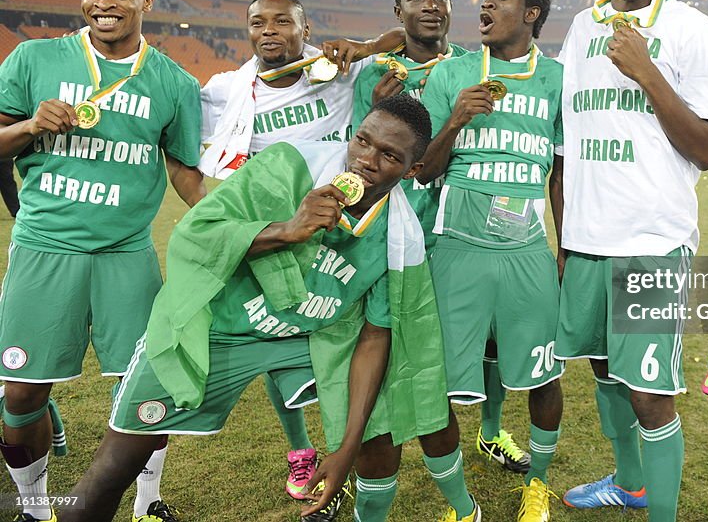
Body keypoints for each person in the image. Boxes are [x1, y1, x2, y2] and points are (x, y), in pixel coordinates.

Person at [60, 94, 448, 522]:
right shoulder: (290, 164)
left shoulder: (401, 237)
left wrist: (345, 449)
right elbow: (197, 234)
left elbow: (375, 336)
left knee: (378, 430)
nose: (365, 161)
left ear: (412, 171)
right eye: (362, 141)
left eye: (389, 155)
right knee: (116, 464)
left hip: (308, 339)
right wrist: (288, 229)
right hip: (219, 326)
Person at [0, 0, 205, 522]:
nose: (103, 5)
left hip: (126, 255)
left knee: (146, 391)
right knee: (20, 392)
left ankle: (146, 501)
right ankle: (35, 508)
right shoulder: (34, 58)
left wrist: (236, 225)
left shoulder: (175, 81)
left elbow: (184, 171)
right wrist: (29, 125)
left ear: (145, 0)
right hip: (45, 247)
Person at [554, 0, 708, 521]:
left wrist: (647, 70)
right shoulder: (580, 28)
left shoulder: (693, 29)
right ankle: (629, 484)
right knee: (604, 372)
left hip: (652, 243)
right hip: (587, 241)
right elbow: (566, 143)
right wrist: (565, 240)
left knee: (651, 395)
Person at [199, 0, 399, 500]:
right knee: (273, 331)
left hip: (340, 230)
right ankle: (300, 448)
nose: (269, 30)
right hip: (280, 232)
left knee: (336, 341)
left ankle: (343, 450)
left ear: (305, 30)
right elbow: (184, 140)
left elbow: (399, 41)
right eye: (259, 22)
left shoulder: (334, 72)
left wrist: (363, 43)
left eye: (283, 22)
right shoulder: (227, 89)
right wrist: (210, 205)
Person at [403, 0, 564, 522]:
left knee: (542, 373)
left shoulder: (558, 79)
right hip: (457, 247)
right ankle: (462, 506)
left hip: (526, 251)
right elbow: (423, 171)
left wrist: (563, 251)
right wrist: (453, 120)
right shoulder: (453, 74)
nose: (486, 6)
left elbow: (561, 173)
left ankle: (537, 486)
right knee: (438, 383)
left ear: (532, 13)